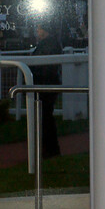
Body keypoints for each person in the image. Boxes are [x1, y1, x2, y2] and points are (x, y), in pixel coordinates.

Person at [32, 22, 63, 158]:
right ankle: (50, 148)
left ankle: (50, 149)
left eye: (38, 29)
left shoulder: (47, 44)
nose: (37, 31)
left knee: (45, 118)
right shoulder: (51, 43)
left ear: (44, 30)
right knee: (46, 117)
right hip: (47, 83)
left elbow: (42, 65)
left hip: (45, 84)